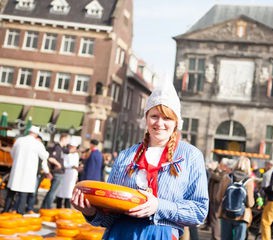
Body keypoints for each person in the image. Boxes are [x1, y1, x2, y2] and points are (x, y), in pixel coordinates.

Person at [71, 82, 209, 239]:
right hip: (120, 234)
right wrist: (90, 212)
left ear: (176, 122)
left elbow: (199, 211)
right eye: (154, 116)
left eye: (167, 118)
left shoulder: (191, 156)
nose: (160, 123)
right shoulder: (125, 156)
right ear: (146, 118)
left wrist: (159, 206)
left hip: (161, 235)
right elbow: (109, 216)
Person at [3, 126, 51, 214]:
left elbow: (12, 153)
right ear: (36, 134)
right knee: (23, 194)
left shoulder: (19, 140)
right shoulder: (37, 144)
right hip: (29, 172)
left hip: (17, 170)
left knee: (11, 192)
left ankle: (5, 210)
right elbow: (44, 156)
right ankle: (19, 212)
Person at [217, 156, 254, 240]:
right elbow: (250, 203)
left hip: (226, 213)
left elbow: (219, 197)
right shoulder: (249, 181)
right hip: (242, 215)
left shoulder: (227, 177)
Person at [41, 133, 70, 209]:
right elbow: (51, 158)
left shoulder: (61, 148)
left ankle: (44, 206)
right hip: (58, 172)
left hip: (59, 172)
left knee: (52, 191)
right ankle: (47, 207)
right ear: (63, 139)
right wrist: (58, 164)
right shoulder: (57, 148)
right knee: (53, 192)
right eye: (67, 140)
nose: (68, 142)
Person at [56, 138, 80, 208]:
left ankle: (67, 208)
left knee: (69, 193)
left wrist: (76, 175)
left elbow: (76, 165)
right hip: (64, 174)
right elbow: (63, 164)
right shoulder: (65, 154)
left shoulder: (76, 155)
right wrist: (71, 166)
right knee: (60, 192)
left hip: (72, 176)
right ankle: (59, 207)